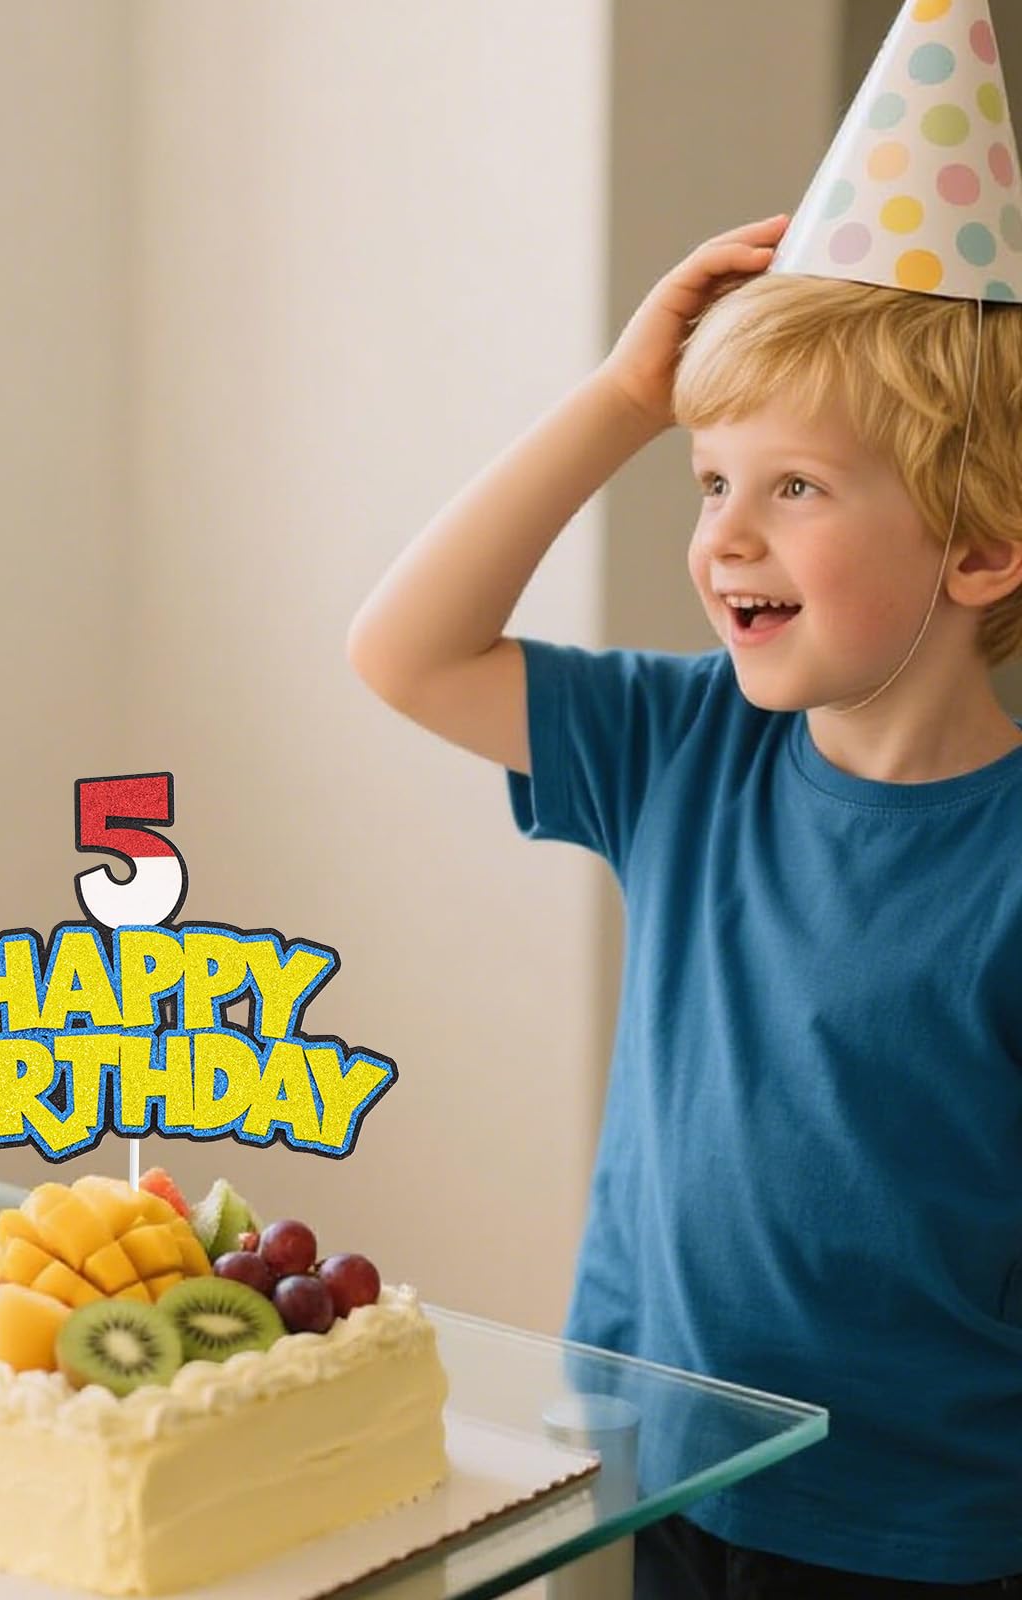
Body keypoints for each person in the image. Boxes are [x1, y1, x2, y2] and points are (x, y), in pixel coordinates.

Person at [346, 210, 1022, 1595]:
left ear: (979, 553)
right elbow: (403, 649)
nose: (726, 539)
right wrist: (620, 404)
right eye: (712, 482)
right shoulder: (683, 744)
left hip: (919, 1530)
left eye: (797, 490)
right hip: (666, 1466)